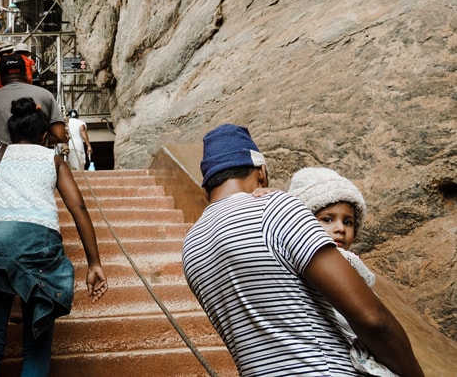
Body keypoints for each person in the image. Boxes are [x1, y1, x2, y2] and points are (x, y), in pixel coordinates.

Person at [181, 124, 423, 376]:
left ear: (206, 188)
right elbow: (372, 319)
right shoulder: (273, 208)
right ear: (262, 172)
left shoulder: (191, 246)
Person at [0, 97, 108, 376]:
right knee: (36, 346)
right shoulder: (53, 158)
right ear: (44, 135)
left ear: (11, 132)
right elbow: (78, 208)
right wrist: (94, 263)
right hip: (40, 243)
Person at [287, 167, 397, 376]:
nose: (340, 228)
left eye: (348, 222)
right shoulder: (340, 261)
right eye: (327, 219)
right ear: (303, 224)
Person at [0, 53, 67, 155]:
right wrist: (40, 141)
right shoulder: (46, 95)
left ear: (0, 78)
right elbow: (60, 135)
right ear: (26, 74)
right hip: (34, 161)